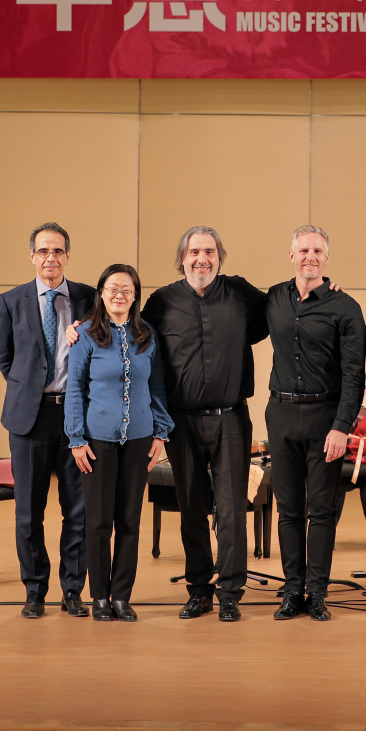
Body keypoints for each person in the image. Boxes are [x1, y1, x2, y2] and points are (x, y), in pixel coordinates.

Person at [142, 227, 268, 622]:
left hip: (231, 418)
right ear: (182, 258)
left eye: (209, 252)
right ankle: (199, 590)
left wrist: (322, 287)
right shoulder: (161, 302)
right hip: (181, 422)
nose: (202, 259)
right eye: (194, 251)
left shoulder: (240, 293)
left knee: (231, 510)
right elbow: (132, 338)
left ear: (219, 257)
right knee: (192, 508)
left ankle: (230, 592)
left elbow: (285, 308)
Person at [0, 222, 96, 620]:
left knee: (78, 511)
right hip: (29, 418)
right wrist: (33, 388)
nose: (50, 258)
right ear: (32, 256)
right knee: (28, 512)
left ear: (67, 256)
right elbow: (5, 358)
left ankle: (73, 590)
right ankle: (34, 591)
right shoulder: (11, 300)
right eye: (43, 251)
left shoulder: (89, 298)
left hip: (76, 417)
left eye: (57, 251)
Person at [264, 225, 366, 622]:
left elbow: (354, 375)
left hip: (326, 418)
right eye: (304, 250)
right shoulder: (273, 298)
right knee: (288, 509)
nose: (310, 257)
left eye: (317, 251)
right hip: (282, 413)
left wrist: (342, 426)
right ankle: (292, 591)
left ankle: (318, 593)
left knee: (322, 510)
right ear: (291, 255)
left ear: (327, 258)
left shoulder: (346, 308)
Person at [65, 264, 172, 621]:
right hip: (97, 441)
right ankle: (99, 597)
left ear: (135, 295)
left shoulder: (147, 335)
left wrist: (161, 432)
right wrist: (76, 438)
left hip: (139, 439)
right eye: (112, 288)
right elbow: (75, 390)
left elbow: (157, 387)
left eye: (127, 289)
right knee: (98, 522)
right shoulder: (85, 335)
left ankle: (122, 596)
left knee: (129, 521)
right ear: (101, 293)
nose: (119, 295)